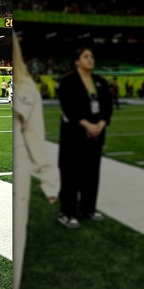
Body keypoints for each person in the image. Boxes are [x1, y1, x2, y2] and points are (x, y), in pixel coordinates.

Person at [12, 32, 59, 289]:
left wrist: (49, 179)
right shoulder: (24, 87)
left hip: (18, 170)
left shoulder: (26, 87)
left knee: (17, 241)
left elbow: (36, 139)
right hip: (16, 170)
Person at [56, 47, 113, 229]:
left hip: (95, 136)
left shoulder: (100, 82)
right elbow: (68, 108)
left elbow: (107, 107)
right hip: (74, 136)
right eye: (86, 56)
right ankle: (67, 212)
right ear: (77, 61)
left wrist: (101, 124)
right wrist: (87, 125)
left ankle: (88, 208)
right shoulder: (68, 82)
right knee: (71, 175)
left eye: (92, 57)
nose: (91, 60)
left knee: (91, 174)